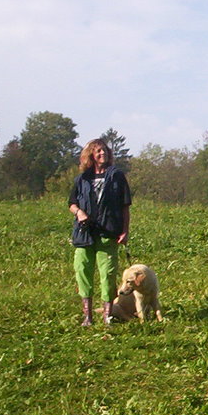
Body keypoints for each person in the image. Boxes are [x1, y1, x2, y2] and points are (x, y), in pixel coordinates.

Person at [68, 138, 131, 326]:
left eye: (104, 150)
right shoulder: (82, 179)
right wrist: (79, 213)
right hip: (84, 234)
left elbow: (125, 206)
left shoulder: (117, 176)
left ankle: (107, 316)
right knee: (82, 272)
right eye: (98, 151)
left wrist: (125, 231)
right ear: (91, 155)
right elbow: (71, 203)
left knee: (108, 275)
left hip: (109, 233)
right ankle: (87, 317)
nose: (102, 153)